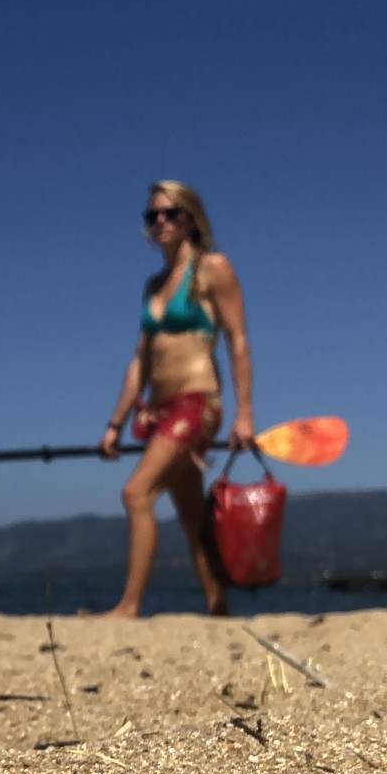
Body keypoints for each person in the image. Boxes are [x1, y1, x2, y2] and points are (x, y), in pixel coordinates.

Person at [96, 181, 254, 616]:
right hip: (158, 408)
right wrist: (114, 424)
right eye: (153, 215)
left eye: (172, 213)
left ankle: (129, 606)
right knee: (191, 515)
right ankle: (218, 606)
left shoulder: (213, 268)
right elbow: (140, 361)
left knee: (136, 494)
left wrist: (244, 414)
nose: (161, 221)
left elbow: (238, 341)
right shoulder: (153, 286)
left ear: (191, 218)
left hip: (197, 401)